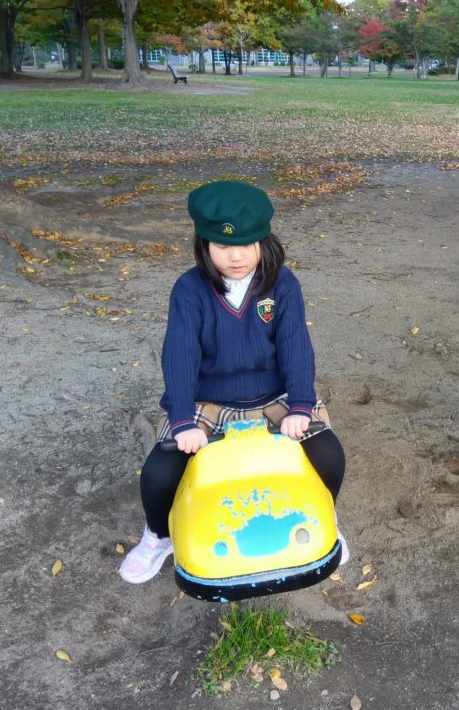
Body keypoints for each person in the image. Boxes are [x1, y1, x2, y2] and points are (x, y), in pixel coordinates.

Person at [120, 181, 348, 583]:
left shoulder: (282, 284)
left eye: (246, 244)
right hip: (208, 400)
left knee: (328, 453)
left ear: (264, 241)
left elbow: (296, 346)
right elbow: (179, 356)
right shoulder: (189, 290)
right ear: (204, 244)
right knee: (160, 471)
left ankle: (327, 516)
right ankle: (158, 536)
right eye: (223, 246)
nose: (236, 256)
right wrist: (182, 420)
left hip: (275, 395)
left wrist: (300, 405)